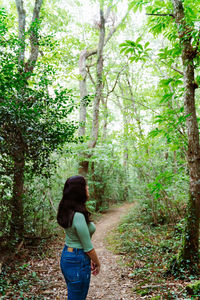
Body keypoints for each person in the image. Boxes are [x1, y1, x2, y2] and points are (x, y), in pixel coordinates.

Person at [57, 175, 101, 300]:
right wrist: (97, 263)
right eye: (85, 186)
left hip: (68, 256)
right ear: (79, 191)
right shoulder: (78, 216)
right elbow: (88, 248)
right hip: (78, 259)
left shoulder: (68, 211)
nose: (87, 188)